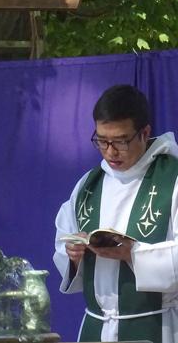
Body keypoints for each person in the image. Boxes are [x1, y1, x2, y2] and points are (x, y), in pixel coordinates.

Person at [53, 84, 178, 343]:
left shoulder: (172, 180)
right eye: (101, 140)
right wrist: (74, 256)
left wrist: (133, 253)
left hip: (157, 325)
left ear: (144, 133)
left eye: (120, 141)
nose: (110, 152)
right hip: (96, 327)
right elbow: (63, 242)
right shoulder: (89, 185)